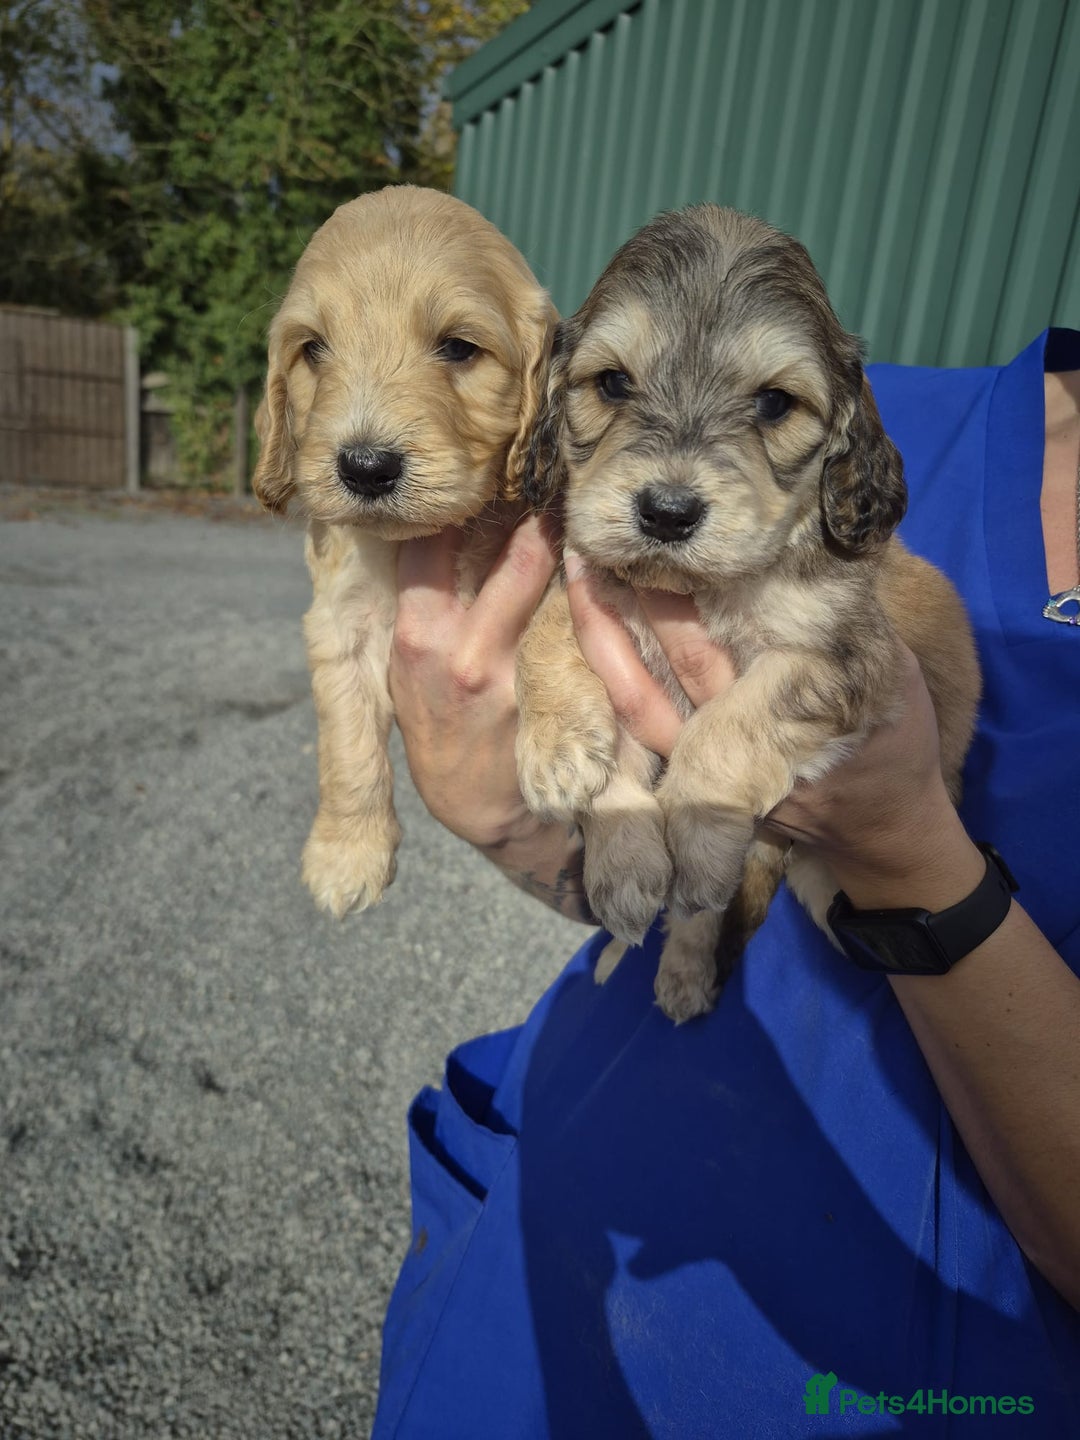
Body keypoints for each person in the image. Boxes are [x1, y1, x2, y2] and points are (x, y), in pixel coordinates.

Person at [372, 328, 1080, 1438]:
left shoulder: (826, 430)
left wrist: (902, 851)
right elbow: (624, 872)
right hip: (538, 1259)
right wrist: (504, 818)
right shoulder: (838, 399)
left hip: (871, 1383)